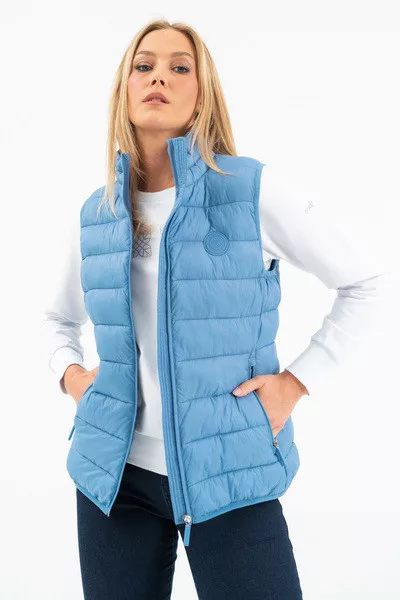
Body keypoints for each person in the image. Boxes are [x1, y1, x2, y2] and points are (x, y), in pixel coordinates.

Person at [41, 19, 391, 600]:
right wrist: (73, 377)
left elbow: (366, 282)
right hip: (113, 480)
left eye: (180, 67)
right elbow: (56, 318)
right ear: (124, 90)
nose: (159, 77)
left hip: (228, 472)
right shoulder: (99, 212)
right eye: (144, 65)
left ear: (203, 95)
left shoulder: (250, 190)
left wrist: (295, 383)